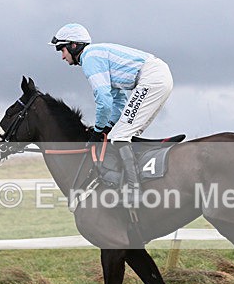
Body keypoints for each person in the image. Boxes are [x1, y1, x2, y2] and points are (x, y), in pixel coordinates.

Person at [49, 23, 173, 205]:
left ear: (74, 46)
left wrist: (98, 131)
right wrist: (108, 126)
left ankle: (134, 190)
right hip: (156, 77)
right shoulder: (96, 55)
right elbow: (119, 100)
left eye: (62, 49)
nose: (62, 56)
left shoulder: (90, 58)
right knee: (122, 134)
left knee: (121, 136)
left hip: (151, 79)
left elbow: (103, 100)